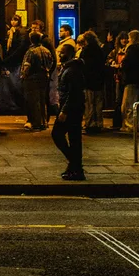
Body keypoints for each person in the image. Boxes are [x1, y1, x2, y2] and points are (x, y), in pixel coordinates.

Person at [52, 44, 86, 180]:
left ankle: (75, 165)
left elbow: (73, 93)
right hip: (72, 107)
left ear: (69, 54)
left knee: (57, 134)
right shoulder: (70, 68)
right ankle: (75, 167)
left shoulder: (72, 70)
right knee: (74, 138)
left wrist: (64, 110)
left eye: (62, 52)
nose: (59, 55)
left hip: (71, 109)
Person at [20, 31, 52, 130]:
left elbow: (27, 66)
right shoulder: (46, 50)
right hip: (44, 77)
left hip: (32, 78)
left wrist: (23, 76)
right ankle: (44, 122)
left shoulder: (31, 51)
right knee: (43, 100)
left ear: (31, 40)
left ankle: (35, 122)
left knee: (33, 101)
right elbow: (51, 63)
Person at [79, 30, 108, 132]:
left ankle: (90, 123)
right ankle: (99, 123)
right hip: (99, 80)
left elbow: (82, 65)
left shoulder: (85, 51)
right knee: (98, 103)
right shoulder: (99, 50)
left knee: (89, 103)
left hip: (89, 80)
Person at [120, 29, 139, 132]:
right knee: (138, 104)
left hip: (131, 79)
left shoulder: (132, 49)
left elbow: (127, 63)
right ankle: (138, 124)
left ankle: (130, 125)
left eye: (129, 38)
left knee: (129, 103)